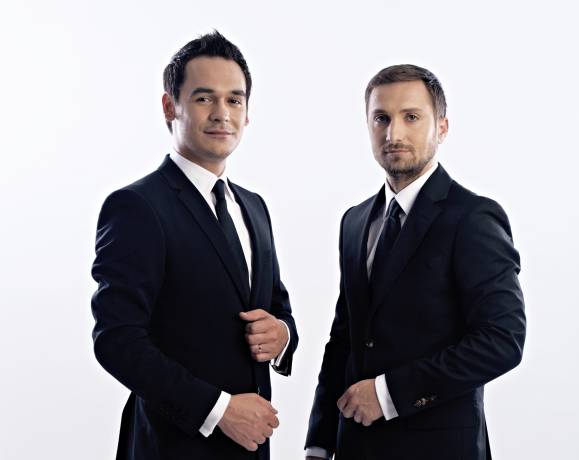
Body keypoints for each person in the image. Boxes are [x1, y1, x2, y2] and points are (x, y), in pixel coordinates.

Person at [91, 31, 298, 460]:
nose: (222, 113)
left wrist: (282, 335)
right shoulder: (137, 206)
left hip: (252, 445)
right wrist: (217, 410)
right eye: (205, 98)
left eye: (234, 100)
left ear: (247, 113)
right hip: (170, 446)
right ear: (170, 107)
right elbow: (117, 339)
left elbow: (277, 305)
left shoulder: (254, 207)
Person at [305, 64, 526, 460]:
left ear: (442, 127)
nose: (394, 134)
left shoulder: (473, 217)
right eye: (381, 118)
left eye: (411, 117)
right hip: (354, 447)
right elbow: (344, 340)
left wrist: (388, 394)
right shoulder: (354, 221)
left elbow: (502, 340)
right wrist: (319, 443)